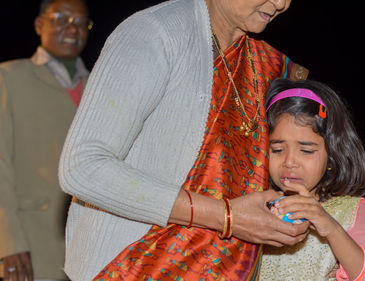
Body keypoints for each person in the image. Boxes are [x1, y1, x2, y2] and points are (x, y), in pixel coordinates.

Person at [58, 0, 311, 280]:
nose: (281, 3)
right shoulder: (155, 33)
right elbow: (82, 167)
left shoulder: (262, 63)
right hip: (132, 266)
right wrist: (226, 216)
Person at [259, 79, 365, 280]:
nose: (289, 162)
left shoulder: (350, 211)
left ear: (332, 154)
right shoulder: (254, 206)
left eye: (306, 151)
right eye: (277, 149)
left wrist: (330, 227)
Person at [0, 0, 91, 280]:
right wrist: (8, 242)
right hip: (34, 237)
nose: (72, 29)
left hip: (91, 240)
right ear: (40, 25)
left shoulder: (98, 85)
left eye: (81, 22)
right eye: (61, 18)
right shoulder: (9, 76)